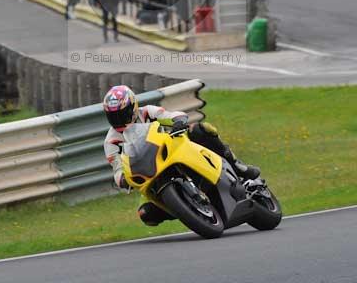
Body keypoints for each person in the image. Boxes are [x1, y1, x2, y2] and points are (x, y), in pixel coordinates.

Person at [103, 85, 260, 227]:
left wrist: (178, 121)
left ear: (133, 106)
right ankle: (187, 209)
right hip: (149, 173)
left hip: (173, 152)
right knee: (146, 214)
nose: (119, 119)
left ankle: (237, 165)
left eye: (122, 114)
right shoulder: (111, 141)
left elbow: (170, 115)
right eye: (113, 116)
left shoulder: (146, 112)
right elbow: (117, 168)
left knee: (201, 130)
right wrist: (122, 180)